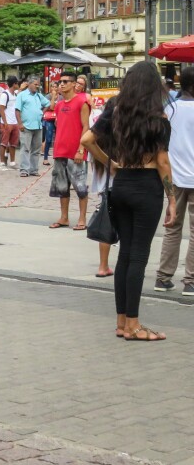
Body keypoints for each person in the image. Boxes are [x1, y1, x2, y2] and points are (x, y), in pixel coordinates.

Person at [81, 61, 175, 341]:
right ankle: (134, 325)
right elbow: (162, 161)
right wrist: (171, 199)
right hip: (147, 188)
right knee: (138, 256)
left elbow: (87, 139)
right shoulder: (158, 119)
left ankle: (122, 322)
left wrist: (110, 163)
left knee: (124, 255)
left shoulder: (114, 110)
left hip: (121, 183)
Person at [155, 66, 194, 295]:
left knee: (172, 228)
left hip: (174, 178)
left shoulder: (169, 109)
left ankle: (163, 277)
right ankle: (190, 281)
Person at [49, 71, 90, 230]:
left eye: (66, 81)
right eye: (60, 82)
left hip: (76, 152)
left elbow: (86, 126)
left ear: (74, 84)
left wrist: (81, 149)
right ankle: (64, 217)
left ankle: (82, 218)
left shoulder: (82, 101)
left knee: (80, 187)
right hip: (60, 151)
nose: (62, 84)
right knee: (62, 187)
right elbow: (60, 126)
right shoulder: (59, 104)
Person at [88, 98, 114, 279]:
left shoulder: (97, 139)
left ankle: (103, 265)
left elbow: (92, 165)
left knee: (107, 224)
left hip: (104, 187)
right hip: (120, 186)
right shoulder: (122, 137)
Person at [17, 75, 49, 177]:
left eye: (38, 85)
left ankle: (34, 169)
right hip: (26, 126)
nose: (37, 86)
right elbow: (17, 110)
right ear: (29, 84)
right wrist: (20, 123)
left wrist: (41, 112)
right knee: (25, 148)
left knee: (36, 150)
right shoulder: (22, 95)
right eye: (35, 84)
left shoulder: (39, 95)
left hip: (38, 126)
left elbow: (48, 104)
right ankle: (24, 170)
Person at [0, 76, 20, 170]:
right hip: (7, 122)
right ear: (14, 84)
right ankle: (2, 163)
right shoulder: (4, 95)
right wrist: (5, 122)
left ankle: (12, 162)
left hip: (15, 122)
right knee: (4, 143)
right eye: (17, 83)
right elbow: (1, 110)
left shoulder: (15, 95)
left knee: (13, 143)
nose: (18, 85)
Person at [42, 81, 58, 166]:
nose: (54, 88)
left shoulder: (61, 97)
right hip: (49, 119)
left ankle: (57, 156)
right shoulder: (47, 97)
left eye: (56, 87)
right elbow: (51, 107)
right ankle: (45, 158)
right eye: (53, 87)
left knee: (58, 139)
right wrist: (53, 97)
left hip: (58, 120)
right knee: (48, 139)